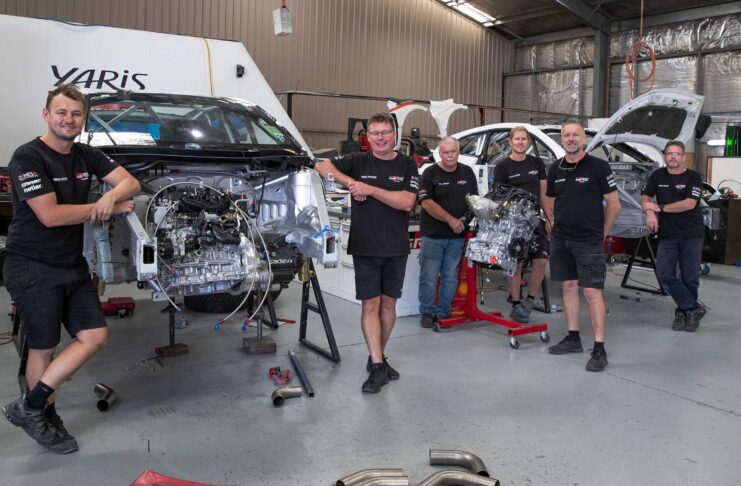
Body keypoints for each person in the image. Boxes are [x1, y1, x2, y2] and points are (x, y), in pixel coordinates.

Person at [2, 84, 140, 453]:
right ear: (46, 115)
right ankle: (46, 417)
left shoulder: (86, 155)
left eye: (76, 114)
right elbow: (50, 215)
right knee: (43, 349)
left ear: (83, 119)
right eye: (61, 112)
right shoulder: (28, 157)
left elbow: (131, 182)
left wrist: (112, 196)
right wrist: (107, 208)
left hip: (70, 263)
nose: (69, 119)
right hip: (32, 265)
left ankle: (30, 408)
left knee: (94, 335)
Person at [315, 113, 418, 393]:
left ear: (394, 135)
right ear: (368, 137)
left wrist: (369, 189)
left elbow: (407, 202)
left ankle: (377, 359)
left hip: (396, 246)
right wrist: (351, 183)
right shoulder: (358, 161)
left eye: (385, 132)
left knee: (389, 305)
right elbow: (322, 166)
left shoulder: (407, 164)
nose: (380, 138)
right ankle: (377, 364)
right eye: (375, 133)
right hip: (366, 245)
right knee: (370, 306)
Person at [541, 120, 620, 372]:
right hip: (561, 239)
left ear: (584, 139)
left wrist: (602, 233)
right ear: (562, 139)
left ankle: (599, 349)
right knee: (568, 287)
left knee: (592, 292)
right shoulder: (555, 168)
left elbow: (614, 204)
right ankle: (573, 338)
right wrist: (551, 222)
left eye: (575, 135)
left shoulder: (598, 166)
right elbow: (550, 200)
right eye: (566, 135)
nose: (571, 139)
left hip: (588, 240)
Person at [640, 140, 706, 332]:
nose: (673, 157)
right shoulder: (658, 175)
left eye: (677, 154)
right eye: (670, 154)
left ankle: (683, 314)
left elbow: (689, 204)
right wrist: (649, 211)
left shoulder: (694, 177)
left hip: (691, 234)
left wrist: (659, 208)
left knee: (690, 277)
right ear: (664, 157)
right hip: (668, 234)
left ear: (683, 157)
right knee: (664, 275)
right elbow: (645, 196)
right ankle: (693, 308)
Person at [417, 137, 478, 328]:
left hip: (457, 236)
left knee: (450, 276)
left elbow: (474, 201)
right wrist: (451, 220)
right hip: (433, 235)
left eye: (453, 152)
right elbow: (426, 203)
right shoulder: (430, 173)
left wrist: (464, 220)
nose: (450, 155)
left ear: (458, 153)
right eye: (446, 152)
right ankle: (427, 312)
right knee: (429, 276)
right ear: (440, 154)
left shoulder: (467, 172)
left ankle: (444, 312)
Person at [492, 126, 548, 324]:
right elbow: (498, 197)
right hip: (514, 224)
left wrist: (549, 219)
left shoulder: (537, 163)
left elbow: (544, 193)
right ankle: (516, 303)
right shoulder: (502, 167)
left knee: (541, 261)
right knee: (515, 264)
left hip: (535, 221)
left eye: (524, 139)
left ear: (528, 142)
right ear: (510, 142)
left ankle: (530, 300)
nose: (520, 142)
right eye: (517, 139)